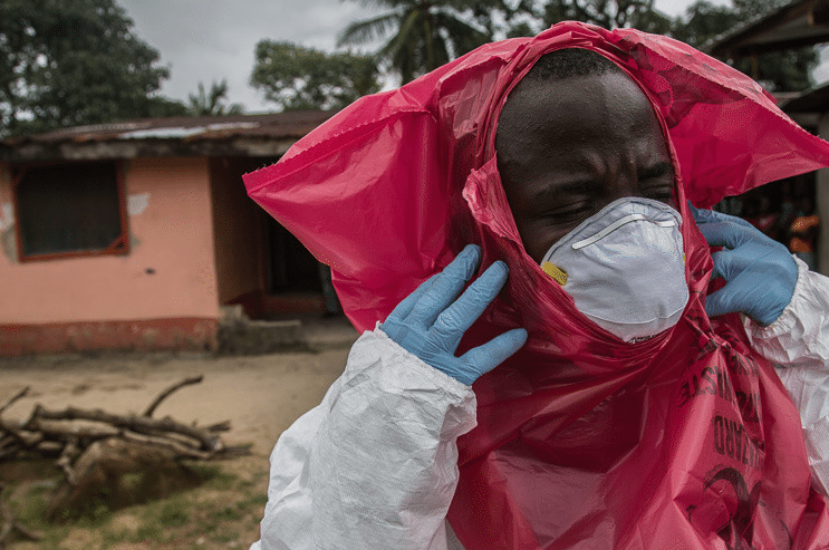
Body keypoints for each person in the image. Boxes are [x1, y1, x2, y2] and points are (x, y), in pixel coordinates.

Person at [244, 23, 829, 550]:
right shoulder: (416, 415)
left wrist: (811, 335)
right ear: (489, 220)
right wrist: (387, 431)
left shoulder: (750, 342)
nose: (638, 233)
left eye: (654, 189)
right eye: (574, 202)